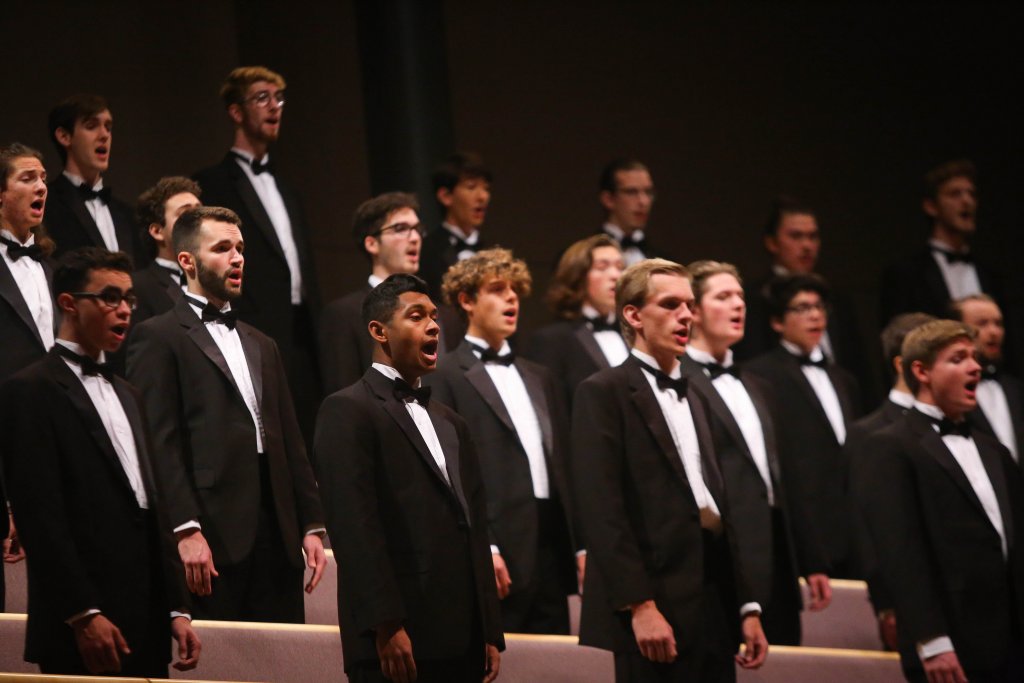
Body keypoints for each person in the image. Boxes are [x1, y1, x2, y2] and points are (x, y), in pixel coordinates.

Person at [0, 247, 200, 676]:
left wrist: (176, 608)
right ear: (69, 303)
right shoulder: (30, 390)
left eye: (129, 299)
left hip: (146, 617)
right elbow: (41, 515)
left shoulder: (130, 394)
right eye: (109, 297)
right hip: (81, 624)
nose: (124, 310)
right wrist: (83, 613)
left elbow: (153, 506)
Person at [126, 206, 326, 622]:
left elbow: (290, 439)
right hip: (213, 529)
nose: (237, 258)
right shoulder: (157, 335)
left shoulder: (262, 342)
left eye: (240, 248)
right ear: (187, 261)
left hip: (278, 530)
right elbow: (157, 442)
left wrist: (311, 524)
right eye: (222, 249)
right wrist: (185, 527)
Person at [573, 258, 767, 682]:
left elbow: (719, 505)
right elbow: (602, 510)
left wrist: (747, 606)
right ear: (634, 314)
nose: (686, 316)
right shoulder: (602, 392)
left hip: (713, 594)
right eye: (671, 304)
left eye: (690, 305)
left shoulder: (697, 393)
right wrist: (639, 606)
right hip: (654, 598)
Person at [313, 273, 502, 683]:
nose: (434, 326)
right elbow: (353, 528)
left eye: (435, 316)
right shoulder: (346, 410)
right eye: (417, 316)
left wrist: (488, 629)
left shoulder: (451, 422)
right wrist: (386, 625)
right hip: (397, 639)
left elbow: (473, 526)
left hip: (462, 638)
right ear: (379, 331)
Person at [854, 320, 1024, 682]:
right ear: (922, 371)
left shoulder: (994, 450)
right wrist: (932, 641)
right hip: (951, 641)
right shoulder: (889, 446)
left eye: (975, 357)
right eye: (958, 358)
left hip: (1011, 638)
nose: (975, 366)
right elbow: (900, 552)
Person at [680, 260, 831, 646]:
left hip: (776, 551)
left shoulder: (759, 383)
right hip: (723, 556)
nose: (738, 306)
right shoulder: (679, 382)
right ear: (693, 310)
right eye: (723, 296)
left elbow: (785, 474)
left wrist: (811, 558)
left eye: (741, 297)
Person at [428, 248, 579, 634]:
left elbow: (563, 465)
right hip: (499, 545)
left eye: (515, 290)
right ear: (467, 300)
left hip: (549, 545)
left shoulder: (539, 375)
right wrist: (486, 546)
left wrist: (580, 545)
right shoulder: (445, 374)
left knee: (552, 667)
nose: (512, 298)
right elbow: (450, 468)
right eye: (497, 289)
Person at [194, 66, 321, 441]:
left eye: (278, 98)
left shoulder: (287, 186)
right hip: (254, 328)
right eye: (262, 97)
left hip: (300, 334)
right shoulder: (213, 182)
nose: (274, 107)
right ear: (236, 112)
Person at [745, 274, 861, 577]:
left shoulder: (844, 378)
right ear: (777, 322)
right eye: (802, 308)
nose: (814, 315)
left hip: (853, 526)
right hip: (808, 532)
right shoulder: (760, 376)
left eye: (819, 307)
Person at [846, 311, 935, 650]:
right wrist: (885, 603)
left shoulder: (962, 425)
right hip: (907, 594)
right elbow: (864, 524)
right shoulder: (868, 432)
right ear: (905, 365)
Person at [733, 197, 870, 401]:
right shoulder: (755, 297)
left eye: (813, 236)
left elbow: (857, 365)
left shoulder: (838, 298)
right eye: (796, 236)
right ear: (772, 242)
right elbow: (753, 362)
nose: (807, 245)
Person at [0, 142, 55, 609]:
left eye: (43, 179)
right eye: (27, 178)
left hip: (54, 443)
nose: (41, 186)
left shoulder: (54, 270)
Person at [320, 192, 423, 394]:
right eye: (401, 229)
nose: (415, 238)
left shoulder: (443, 315)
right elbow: (344, 395)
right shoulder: (343, 314)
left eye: (417, 229)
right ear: (372, 243)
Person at [880, 160, 1002, 325]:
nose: (967, 201)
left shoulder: (989, 274)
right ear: (931, 206)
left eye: (971, 194)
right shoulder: (905, 274)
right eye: (955, 194)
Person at [525, 234, 629, 408]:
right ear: (578, 277)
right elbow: (551, 411)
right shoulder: (552, 340)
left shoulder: (635, 335)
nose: (615, 275)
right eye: (602, 267)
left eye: (620, 267)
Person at [44, 94, 137, 260]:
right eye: (91, 126)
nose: (104, 135)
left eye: (108, 127)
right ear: (64, 136)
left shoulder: (127, 214)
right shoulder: (46, 205)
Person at [951, 294, 1024, 461]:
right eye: (982, 323)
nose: (994, 332)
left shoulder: (1016, 388)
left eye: (998, 323)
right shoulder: (949, 395)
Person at [419, 152, 492, 299]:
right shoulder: (426, 250)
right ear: (446, 196)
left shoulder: (490, 252)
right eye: (471, 187)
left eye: (486, 188)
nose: (483, 196)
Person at [131, 177, 201, 326]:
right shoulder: (138, 287)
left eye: (200, 211)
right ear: (157, 231)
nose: (200, 219)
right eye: (185, 213)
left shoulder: (216, 277)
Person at [594, 158, 662, 266]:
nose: (643, 201)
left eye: (648, 192)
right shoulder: (585, 256)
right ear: (608, 199)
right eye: (631, 192)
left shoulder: (662, 258)